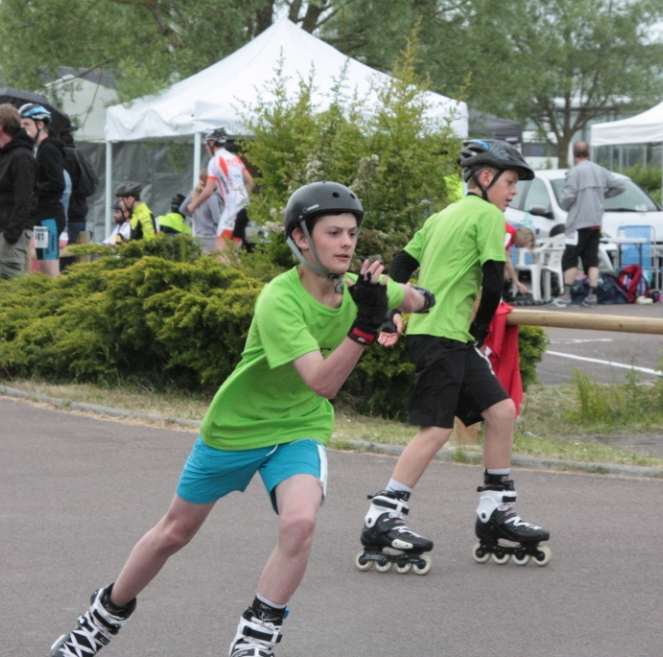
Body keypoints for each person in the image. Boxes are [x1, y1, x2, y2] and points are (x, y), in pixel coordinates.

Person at [49, 181, 432, 657]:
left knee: (299, 524)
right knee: (174, 532)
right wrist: (364, 328)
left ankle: (255, 638)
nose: (348, 243)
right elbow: (323, 382)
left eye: (352, 232)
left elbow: (412, 297)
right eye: (334, 233)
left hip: (298, 428)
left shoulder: (361, 290)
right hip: (236, 428)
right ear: (300, 239)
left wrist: (417, 300)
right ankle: (100, 619)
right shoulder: (280, 299)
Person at [357, 140, 551, 576]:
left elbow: (400, 265)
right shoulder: (486, 215)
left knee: (501, 411)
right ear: (484, 178)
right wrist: (482, 329)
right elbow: (492, 279)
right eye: (509, 181)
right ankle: (383, 517)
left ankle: (494, 512)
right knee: (436, 430)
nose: (513, 191)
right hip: (444, 337)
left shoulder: (442, 216)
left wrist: (392, 313)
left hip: (442, 335)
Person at [550, 141, 625, 308]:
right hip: (596, 222)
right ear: (589, 154)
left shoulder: (575, 172)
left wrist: (567, 206)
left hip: (577, 223)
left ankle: (566, 296)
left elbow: (567, 197)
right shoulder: (600, 170)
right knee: (591, 259)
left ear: (574, 155)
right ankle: (592, 295)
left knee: (570, 258)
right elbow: (620, 186)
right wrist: (603, 196)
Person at [0, 104, 37, 281]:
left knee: (9, 287)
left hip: (9, 234)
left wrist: (12, 234)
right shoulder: (2, 155)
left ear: (0, 126)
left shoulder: (22, 157)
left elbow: (24, 199)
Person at [186, 129, 254, 252]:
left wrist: (193, 205)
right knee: (233, 254)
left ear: (212, 143)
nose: (206, 147)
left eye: (206, 144)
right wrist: (241, 195)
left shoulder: (214, 161)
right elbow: (251, 182)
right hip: (244, 208)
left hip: (231, 210)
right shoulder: (235, 158)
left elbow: (208, 190)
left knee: (220, 254)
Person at [19, 103, 67, 278]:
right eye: (21, 126)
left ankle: (55, 302)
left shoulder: (48, 148)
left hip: (50, 216)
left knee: (48, 262)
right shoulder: (38, 149)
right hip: (42, 216)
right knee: (42, 260)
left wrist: (34, 189)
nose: (23, 129)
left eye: (27, 124)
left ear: (40, 124)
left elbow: (57, 183)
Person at [181, 168, 223, 254]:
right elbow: (217, 219)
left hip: (198, 236)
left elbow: (182, 209)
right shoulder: (212, 197)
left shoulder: (194, 193)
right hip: (212, 236)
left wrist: (196, 215)